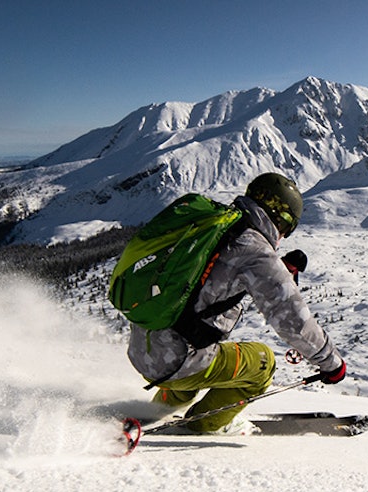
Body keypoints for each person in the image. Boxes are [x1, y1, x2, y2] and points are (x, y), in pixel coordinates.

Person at [125, 173, 347, 434]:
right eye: (287, 228)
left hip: (143, 347)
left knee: (195, 358)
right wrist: (331, 363)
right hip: (176, 364)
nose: (283, 236)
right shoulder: (256, 251)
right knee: (262, 363)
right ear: (281, 218)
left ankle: (159, 410)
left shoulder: (214, 222)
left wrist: (278, 271)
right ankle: (204, 424)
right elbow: (293, 320)